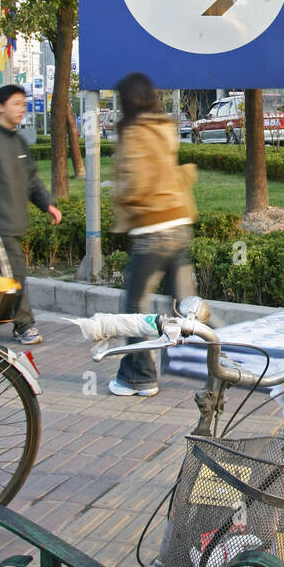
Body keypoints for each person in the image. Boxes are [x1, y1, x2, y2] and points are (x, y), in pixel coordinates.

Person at [109, 73, 198, 397]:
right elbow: (168, 171)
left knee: (135, 305)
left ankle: (141, 377)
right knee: (185, 306)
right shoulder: (164, 126)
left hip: (152, 230)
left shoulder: (133, 132)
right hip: (179, 223)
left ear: (128, 100)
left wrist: (121, 196)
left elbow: (137, 182)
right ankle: (227, 363)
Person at [0, 83, 62, 346]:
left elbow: (31, 180)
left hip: (13, 223)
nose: (21, 109)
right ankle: (24, 326)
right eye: (15, 103)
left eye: (23, 104)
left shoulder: (17, 141)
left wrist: (47, 204)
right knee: (16, 275)